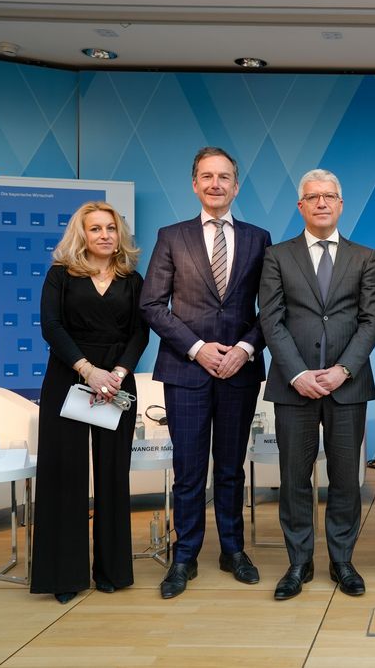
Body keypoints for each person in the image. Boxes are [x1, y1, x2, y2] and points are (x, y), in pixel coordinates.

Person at [141, 146, 272, 599]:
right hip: (186, 371)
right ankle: (185, 555)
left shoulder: (259, 238)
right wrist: (197, 349)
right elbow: (152, 304)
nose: (216, 184)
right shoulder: (171, 236)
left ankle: (233, 550)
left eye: (225, 177)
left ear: (236, 185)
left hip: (239, 371)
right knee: (190, 469)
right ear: (194, 184)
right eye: (207, 176)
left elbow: (271, 307)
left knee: (232, 468)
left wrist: (245, 347)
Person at [258, 169, 375, 600]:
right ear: (301, 206)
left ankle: (343, 560)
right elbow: (270, 320)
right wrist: (297, 373)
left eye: (330, 196)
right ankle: (299, 562)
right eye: (313, 197)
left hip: (347, 385)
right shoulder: (277, 255)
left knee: (347, 478)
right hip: (295, 385)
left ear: (341, 204)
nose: (322, 203)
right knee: (294, 477)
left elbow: (372, 320)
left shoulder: (364, 256)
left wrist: (343, 370)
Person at [31, 201, 149, 604]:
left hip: (116, 382)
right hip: (69, 376)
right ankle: (63, 575)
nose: (104, 235)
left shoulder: (133, 279)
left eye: (110, 228)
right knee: (65, 475)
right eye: (95, 228)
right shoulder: (60, 276)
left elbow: (140, 334)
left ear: (120, 235)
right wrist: (88, 370)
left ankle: (112, 570)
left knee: (113, 476)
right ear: (81, 234)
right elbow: (51, 326)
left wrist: (115, 374)